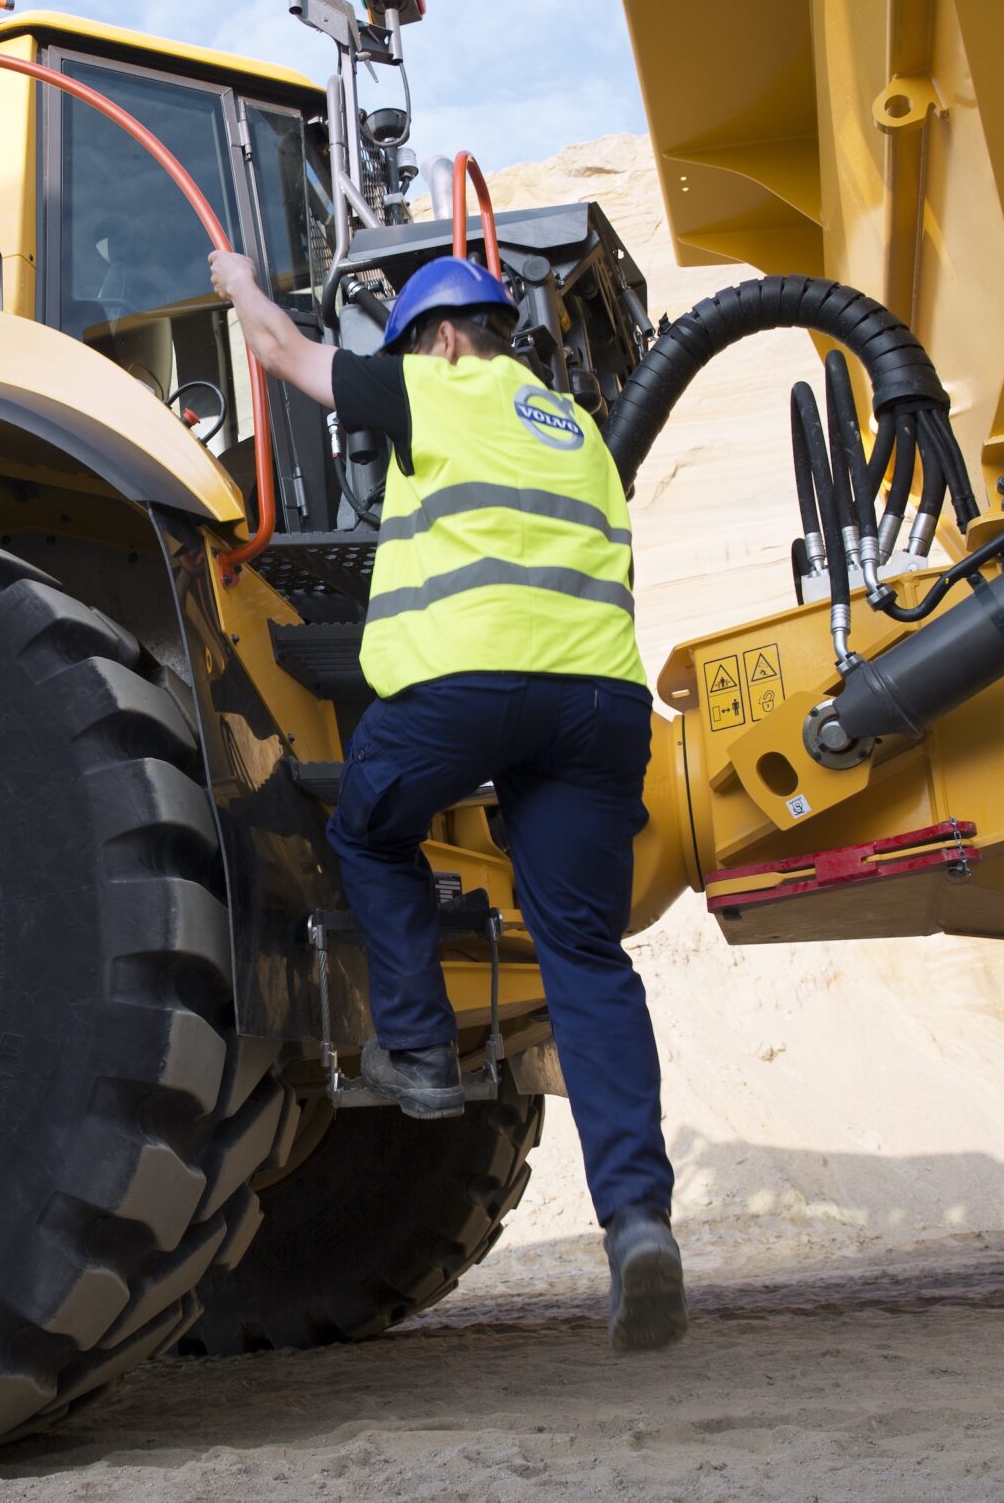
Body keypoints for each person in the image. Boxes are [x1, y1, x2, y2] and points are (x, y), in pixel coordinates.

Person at [207, 247, 686, 1353]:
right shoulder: (576, 434)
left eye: (418, 341)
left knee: (370, 828)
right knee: (585, 957)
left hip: (466, 691)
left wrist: (236, 280)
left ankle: (417, 1050)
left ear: (445, 334)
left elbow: (282, 351)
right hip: (598, 708)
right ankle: (638, 1226)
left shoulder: (435, 383)